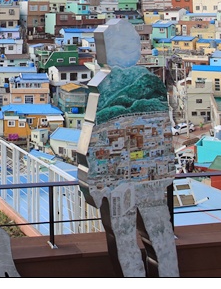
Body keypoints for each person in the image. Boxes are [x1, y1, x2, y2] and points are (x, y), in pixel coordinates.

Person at [77, 18, 178, 277]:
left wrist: (93, 180)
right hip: (153, 175)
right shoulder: (153, 83)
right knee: (161, 234)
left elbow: (90, 137)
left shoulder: (100, 86)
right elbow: (165, 133)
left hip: (118, 179)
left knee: (123, 238)